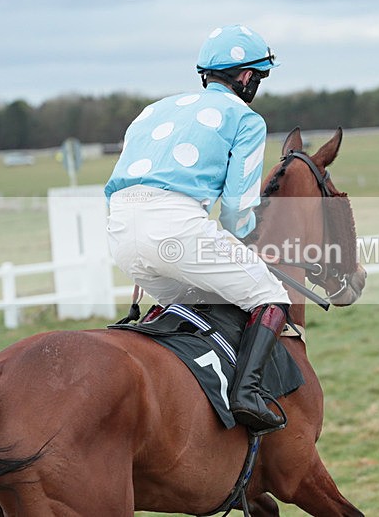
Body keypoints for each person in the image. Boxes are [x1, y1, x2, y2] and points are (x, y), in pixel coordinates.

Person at [105, 25, 290, 432]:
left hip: (120, 233)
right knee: (270, 294)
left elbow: (116, 187)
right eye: (257, 78)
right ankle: (246, 396)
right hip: (176, 228)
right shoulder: (246, 118)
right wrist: (248, 240)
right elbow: (236, 210)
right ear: (247, 77)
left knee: (194, 306)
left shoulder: (152, 111)